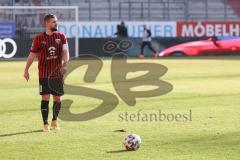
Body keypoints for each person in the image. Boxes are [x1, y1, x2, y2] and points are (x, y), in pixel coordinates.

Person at [23, 14, 69, 132]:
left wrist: (65, 64)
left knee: (57, 99)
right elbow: (32, 55)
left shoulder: (61, 36)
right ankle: (45, 124)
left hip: (57, 73)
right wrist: (26, 69)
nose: (56, 23)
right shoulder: (38, 38)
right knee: (45, 97)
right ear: (47, 23)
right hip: (44, 73)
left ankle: (54, 121)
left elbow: (65, 51)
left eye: (56, 21)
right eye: (54, 22)